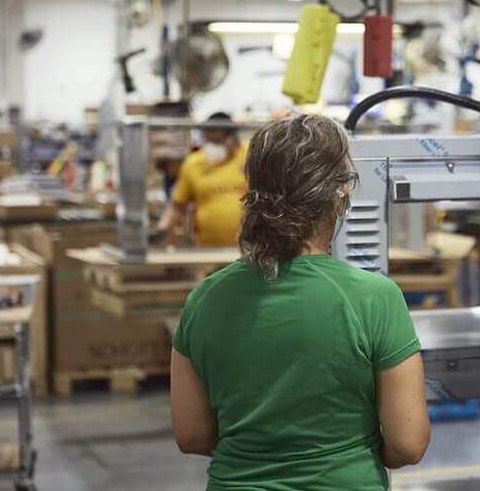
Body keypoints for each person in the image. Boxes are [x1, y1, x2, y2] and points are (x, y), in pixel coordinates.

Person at [170, 113, 430, 490]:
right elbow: (408, 444)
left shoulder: (204, 299)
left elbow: (191, 435)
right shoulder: (374, 298)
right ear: (340, 195)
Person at [157, 112, 248, 246]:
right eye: (208, 140)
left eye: (217, 141)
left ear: (232, 137)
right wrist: (161, 230)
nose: (212, 146)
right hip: (207, 249)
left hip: (248, 249)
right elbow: (177, 206)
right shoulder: (194, 163)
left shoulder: (249, 156)